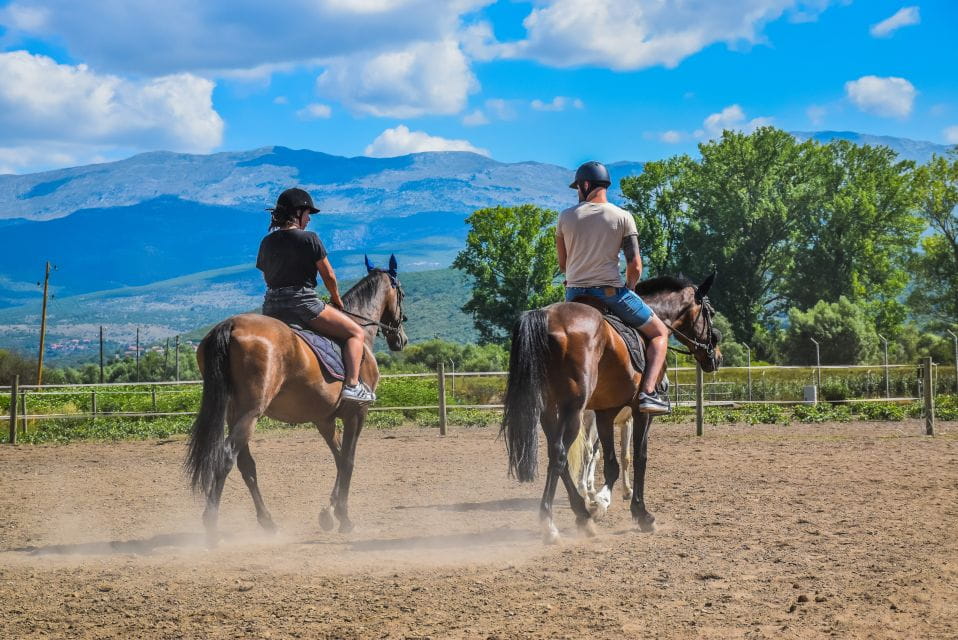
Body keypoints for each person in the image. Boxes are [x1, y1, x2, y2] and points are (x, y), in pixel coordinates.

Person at [556, 161, 670, 414]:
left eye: (577, 188)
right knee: (660, 333)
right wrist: (629, 287)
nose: (577, 192)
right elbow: (636, 265)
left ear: (585, 185)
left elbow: (563, 265)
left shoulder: (565, 217)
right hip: (611, 293)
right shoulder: (622, 217)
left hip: (574, 294)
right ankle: (649, 393)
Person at [256, 187, 375, 404]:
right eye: (308, 213)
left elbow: (266, 276)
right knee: (355, 333)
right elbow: (328, 274)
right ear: (298, 212)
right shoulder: (309, 238)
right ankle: (352, 386)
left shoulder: (267, 242)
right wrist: (336, 298)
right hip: (304, 304)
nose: (309, 219)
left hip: (271, 308)